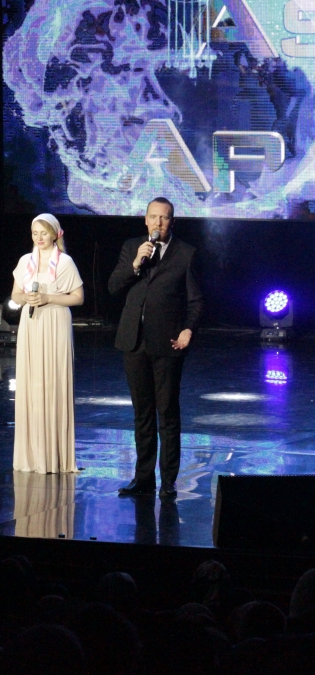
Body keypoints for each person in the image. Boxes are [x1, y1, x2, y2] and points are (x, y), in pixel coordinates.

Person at [108, 197, 203, 499]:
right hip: (134, 341)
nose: (158, 223)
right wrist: (136, 263)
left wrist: (188, 329)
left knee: (167, 413)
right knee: (142, 414)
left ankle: (169, 480)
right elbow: (113, 286)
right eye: (153, 217)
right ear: (145, 220)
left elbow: (196, 300)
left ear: (172, 222)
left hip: (168, 343)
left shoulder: (185, 253)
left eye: (164, 217)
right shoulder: (132, 247)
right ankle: (143, 478)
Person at [10, 213, 84, 473]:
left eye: (43, 233)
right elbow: (15, 294)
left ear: (54, 234)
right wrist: (26, 298)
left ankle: (54, 455)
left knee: (53, 382)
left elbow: (78, 297)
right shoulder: (25, 261)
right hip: (31, 324)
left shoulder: (64, 262)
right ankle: (31, 456)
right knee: (31, 383)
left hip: (55, 322)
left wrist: (48, 298)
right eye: (35, 233)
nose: (39, 238)